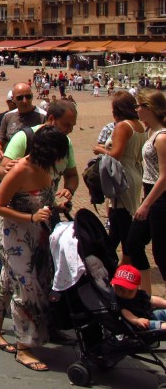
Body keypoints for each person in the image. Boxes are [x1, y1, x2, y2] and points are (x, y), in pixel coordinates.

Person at [0, 125, 70, 373]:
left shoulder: (48, 167)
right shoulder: (20, 169)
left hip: (36, 232)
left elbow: (43, 198)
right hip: (12, 231)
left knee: (9, 279)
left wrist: (57, 204)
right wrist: (31, 217)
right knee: (27, 284)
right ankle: (24, 347)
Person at [92, 91, 145, 260]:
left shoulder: (123, 126)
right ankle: (108, 259)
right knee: (116, 221)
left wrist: (100, 149)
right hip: (134, 172)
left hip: (122, 176)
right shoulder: (139, 125)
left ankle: (128, 260)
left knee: (122, 221)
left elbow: (115, 154)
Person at [125, 89, 166, 292]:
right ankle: (147, 294)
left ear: (149, 108)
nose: (136, 109)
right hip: (151, 194)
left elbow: (164, 177)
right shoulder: (151, 132)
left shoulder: (162, 137)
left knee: (161, 253)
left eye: (139, 106)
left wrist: (146, 204)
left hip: (160, 198)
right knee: (134, 243)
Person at [111, 264, 166, 330]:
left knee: (161, 313)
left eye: (130, 291)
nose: (125, 293)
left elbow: (152, 299)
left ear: (137, 288)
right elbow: (125, 313)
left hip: (149, 314)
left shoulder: (139, 294)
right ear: (113, 284)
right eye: (120, 288)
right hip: (142, 325)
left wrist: (164, 303)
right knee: (160, 325)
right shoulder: (117, 300)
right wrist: (137, 320)